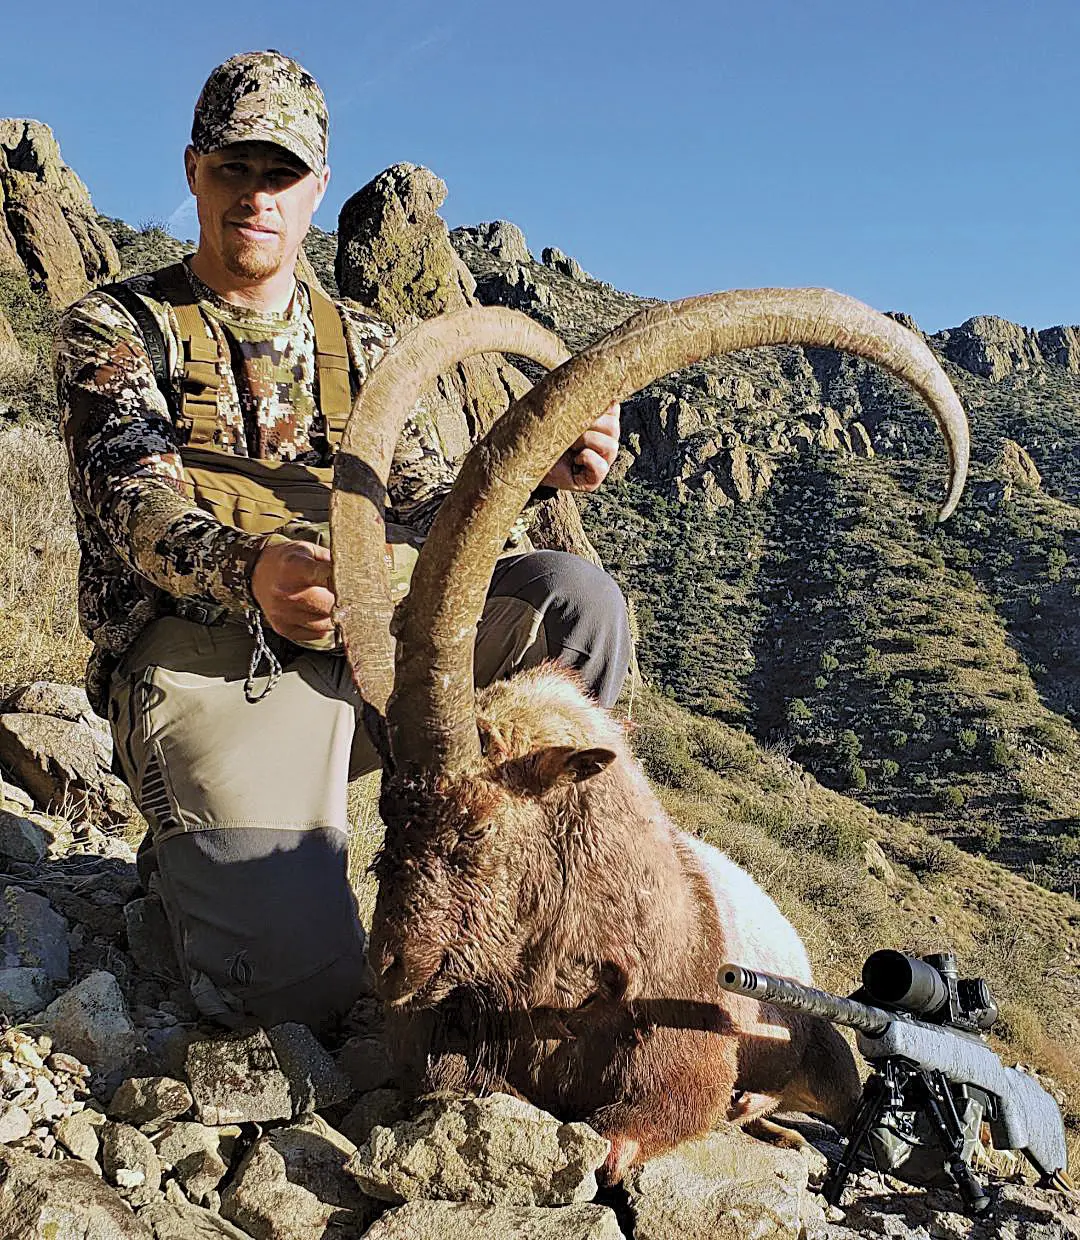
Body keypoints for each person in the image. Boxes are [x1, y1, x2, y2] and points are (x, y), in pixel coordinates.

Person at [55, 50, 631, 1031]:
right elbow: (135, 508)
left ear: (314, 190)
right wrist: (255, 570)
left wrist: (536, 470)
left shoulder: (367, 345)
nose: (255, 196)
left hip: (368, 655)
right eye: (234, 168)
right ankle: (197, 847)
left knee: (574, 606)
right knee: (308, 1002)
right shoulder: (115, 326)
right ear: (194, 170)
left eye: (279, 175)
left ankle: (503, 889)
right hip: (209, 661)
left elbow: (424, 516)